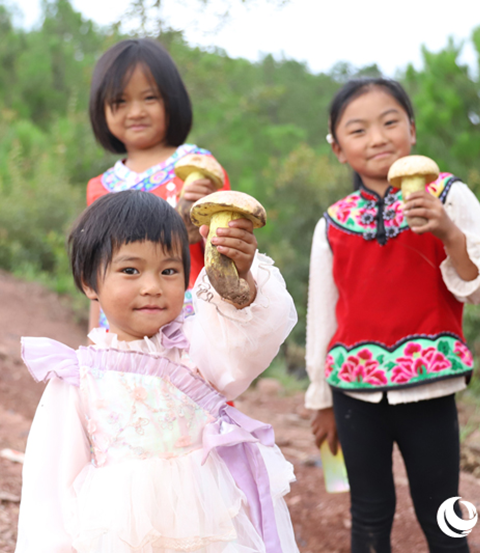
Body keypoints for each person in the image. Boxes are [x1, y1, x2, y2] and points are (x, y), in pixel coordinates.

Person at [15, 190, 300, 553]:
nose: (151, 287)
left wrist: (240, 281)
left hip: (212, 527)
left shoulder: (196, 345)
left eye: (168, 271)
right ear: (89, 283)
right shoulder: (79, 376)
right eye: (130, 270)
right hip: (124, 537)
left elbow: (244, 350)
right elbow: (50, 492)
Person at [305, 78, 480, 553]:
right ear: (339, 149)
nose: (377, 138)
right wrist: (320, 398)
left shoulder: (450, 195)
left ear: (412, 131)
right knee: (370, 514)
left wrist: (450, 234)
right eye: (358, 130)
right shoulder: (333, 221)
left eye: (390, 122)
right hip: (352, 393)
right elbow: (323, 315)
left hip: (430, 388)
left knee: (442, 514)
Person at [86, 38, 229, 331]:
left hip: (188, 327)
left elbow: (226, 250)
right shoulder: (100, 187)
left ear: (172, 100)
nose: (136, 111)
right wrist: (93, 341)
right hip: (120, 334)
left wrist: (204, 214)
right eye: (120, 101)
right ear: (102, 109)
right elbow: (97, 275)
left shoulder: (198, 167)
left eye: (149, 98)